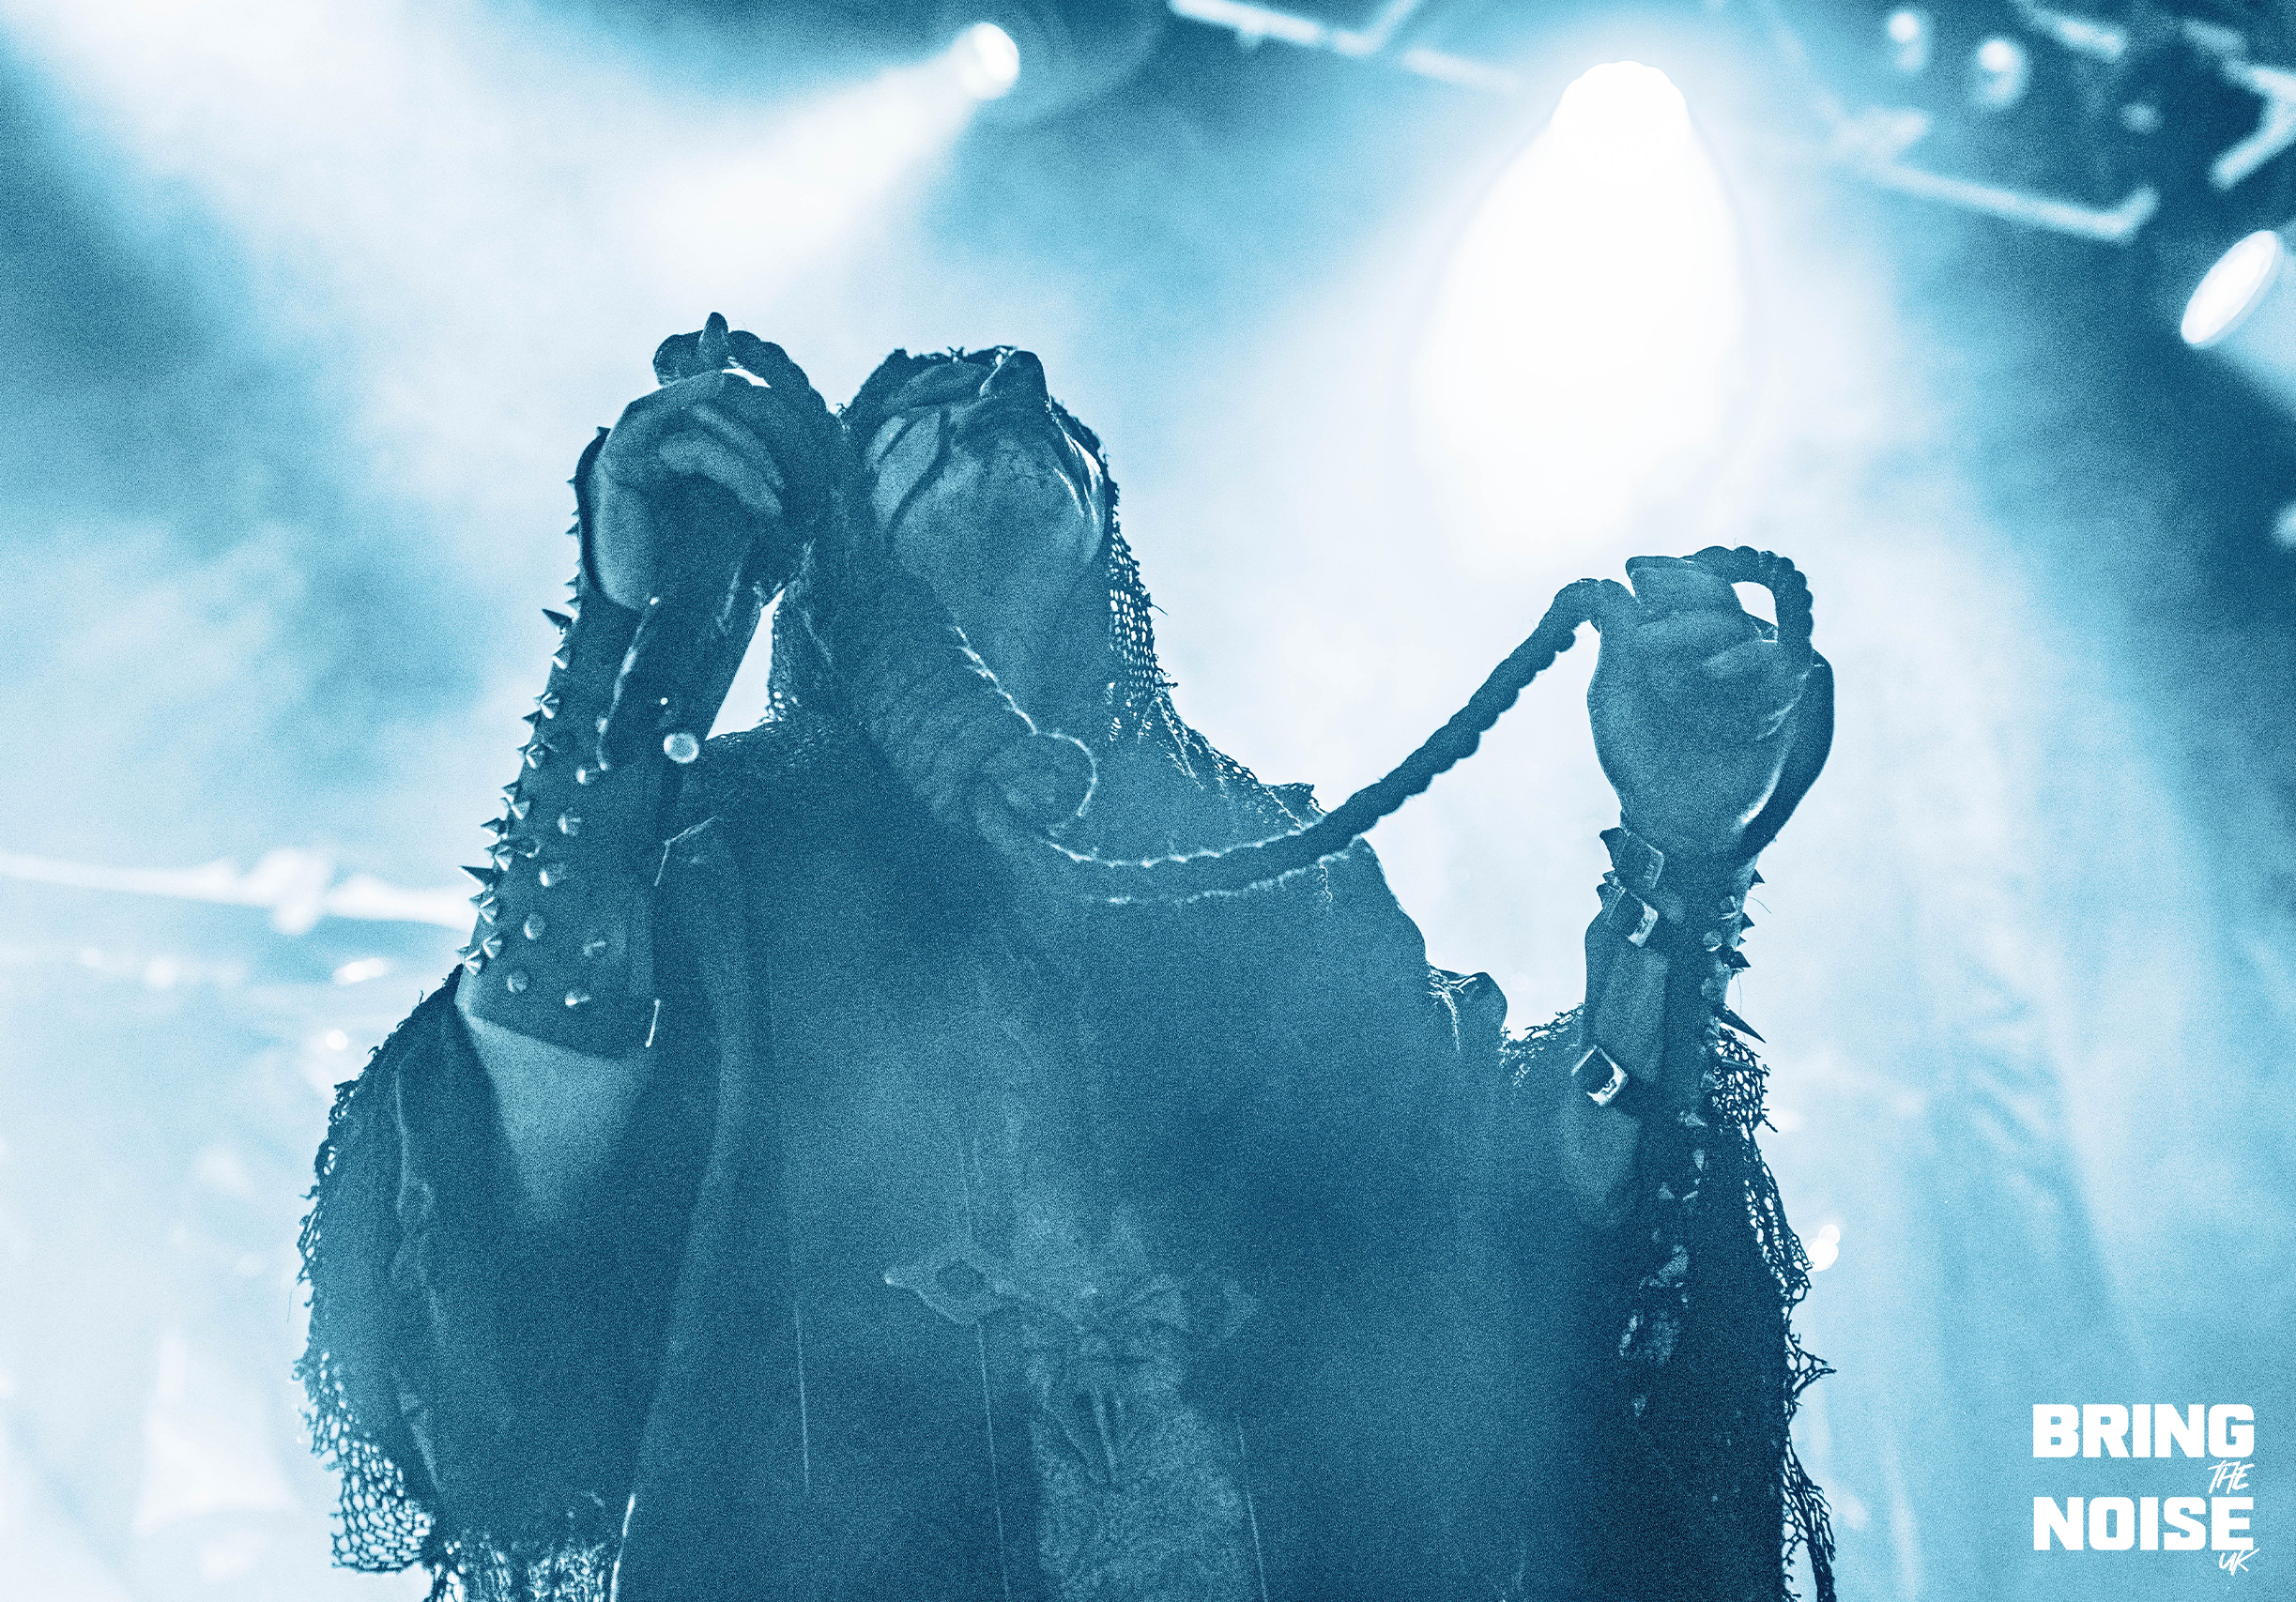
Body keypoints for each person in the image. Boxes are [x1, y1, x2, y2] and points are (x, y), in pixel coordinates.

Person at [298, 317, 1837, 1602]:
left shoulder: (1283, 888)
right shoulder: (722, 853)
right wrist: (638, 651)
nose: (1007, 385)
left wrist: (1680, 856)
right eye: (922, 401)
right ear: (838, 552)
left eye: (1054, 420)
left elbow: (1533, 1241)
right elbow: (516, 1162)